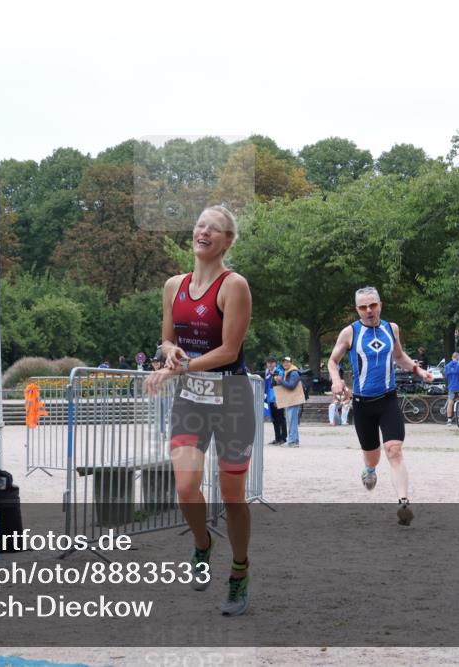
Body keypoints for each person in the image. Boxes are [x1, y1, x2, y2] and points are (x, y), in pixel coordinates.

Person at [144, 205, 254, 616]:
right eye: (200, 225)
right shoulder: (174, 285)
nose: (204, 231)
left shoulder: (234, 285)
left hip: (233, 399)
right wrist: (170, 353)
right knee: (186, 487)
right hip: (191, 399)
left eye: (215, 228)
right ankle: (203, 545)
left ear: (227, 241)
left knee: (232, 496)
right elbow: (167, 341)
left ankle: (240, 570)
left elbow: (229, 350)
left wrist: (177, 368)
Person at [327, 286, 434, 526]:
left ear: (380, 305)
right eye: (363, 307)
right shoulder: (350, 332)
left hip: (388, 400)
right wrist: (336, 380)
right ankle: (369, 470)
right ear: (357, 310)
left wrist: (418, 370)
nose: (368, 311)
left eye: (372, 305)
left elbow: (399, 356)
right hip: (363, 404)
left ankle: (403, 502)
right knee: (373, 458)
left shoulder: (391, 329)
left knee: (394, 450)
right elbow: (333, 361)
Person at [274, 356, 305, 447]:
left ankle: (292, 441)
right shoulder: (287, 372)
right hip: (290, 401)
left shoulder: (294, 373)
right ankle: (294, 441)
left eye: (287, 362)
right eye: (284, 362)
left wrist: (280, 381)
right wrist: (279, 382)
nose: (285, 363)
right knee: (291, 422)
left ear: (291, 363)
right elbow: (285, 387)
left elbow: (291, 386)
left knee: (292, 422)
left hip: (293, 401)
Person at [264, 356, 286, 444]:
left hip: (278, 398)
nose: (270, 364)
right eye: (268, 363)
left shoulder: (279, 372)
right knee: (274, 420)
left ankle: (283, 438)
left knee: (281, 419)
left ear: (275, 363)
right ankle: (277, 438)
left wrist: (277, 399)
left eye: (272, 362)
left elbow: (280, 386)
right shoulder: (267, 372)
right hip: (270, 399)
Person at [444, 352, 459, 426]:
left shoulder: (447, 366)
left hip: (451, 387)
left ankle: (449, 420)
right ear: (458, 357)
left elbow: (446, 376)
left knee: (450, 403)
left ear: (452, 357)